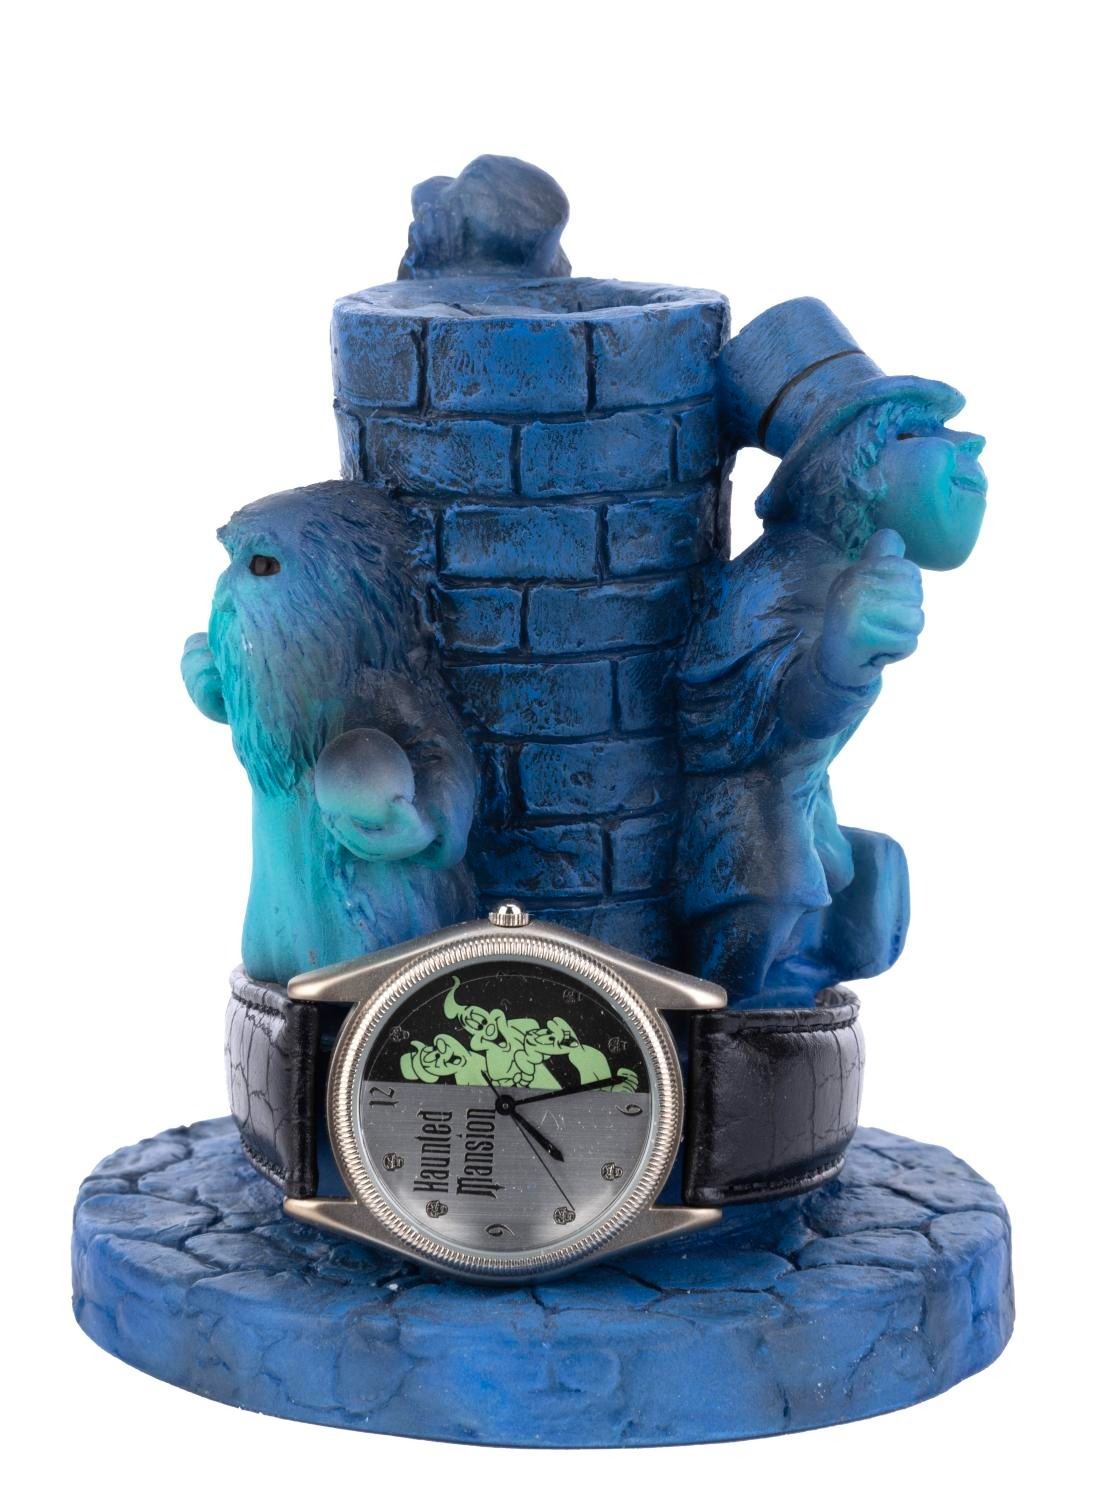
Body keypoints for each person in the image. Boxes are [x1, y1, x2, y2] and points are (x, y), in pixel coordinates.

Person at [679, 299, 987, 1006]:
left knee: (869, 890)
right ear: (858, 467)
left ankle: (777, 1002)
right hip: (747, 841)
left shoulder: (835, 566)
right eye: (917, 432)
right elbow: (734, 723)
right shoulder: (780, 576)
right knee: (765, 921)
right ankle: (724, 1030)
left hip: (798, 818)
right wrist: (839, 660)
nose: (967, 443)